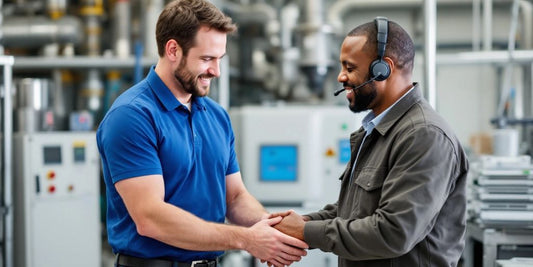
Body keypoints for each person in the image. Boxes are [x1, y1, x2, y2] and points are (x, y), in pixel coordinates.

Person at [96, 0, 308, 266]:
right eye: (207, 59)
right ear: (173, 49)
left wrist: (269, 227)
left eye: (219, 59)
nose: (216, 71)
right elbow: (151, 217)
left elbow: (235, 197)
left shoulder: (217, 117)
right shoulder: (132, 116)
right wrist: (247, 239)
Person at [271, 17, 469, 267]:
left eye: (350, 68)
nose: (341, 77)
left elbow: (394, 232)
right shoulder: (378, 131)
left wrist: (305, 232)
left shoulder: (423, 135)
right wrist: (302, 223)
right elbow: (355, 210)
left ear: (382, 69)